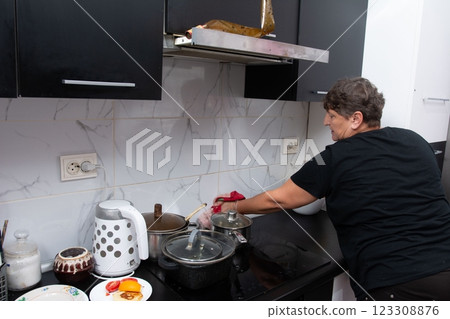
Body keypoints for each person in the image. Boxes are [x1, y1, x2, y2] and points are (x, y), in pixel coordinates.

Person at [210, 77, 450, 301]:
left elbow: (279, 200)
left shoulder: (333, 158)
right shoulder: (416, 141)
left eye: (332, 115)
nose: (326, 121)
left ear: (356, 119)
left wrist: (231, 207)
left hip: (398, 283)